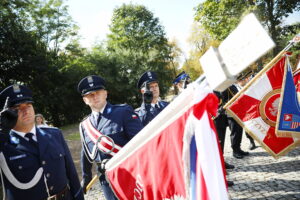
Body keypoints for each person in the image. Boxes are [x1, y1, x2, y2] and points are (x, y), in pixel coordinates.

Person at [0, 84, 84, 200]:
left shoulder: (54, 134)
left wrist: (78, 196)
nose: (25, 111)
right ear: (7, 115)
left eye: (28, 105)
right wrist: (2, 132)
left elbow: (71, 173)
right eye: (17, 108)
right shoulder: (4, 143)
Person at [77, 75, 143, 200]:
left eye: (98, 92)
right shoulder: (85, 126)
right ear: (85, 100)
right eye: (90, 95)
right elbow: (86, 153)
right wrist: (86, 179)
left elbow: (139, 143)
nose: (95, 96)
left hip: (130, 176)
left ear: (105, 94)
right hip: (106, 181)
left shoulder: (123, 112)